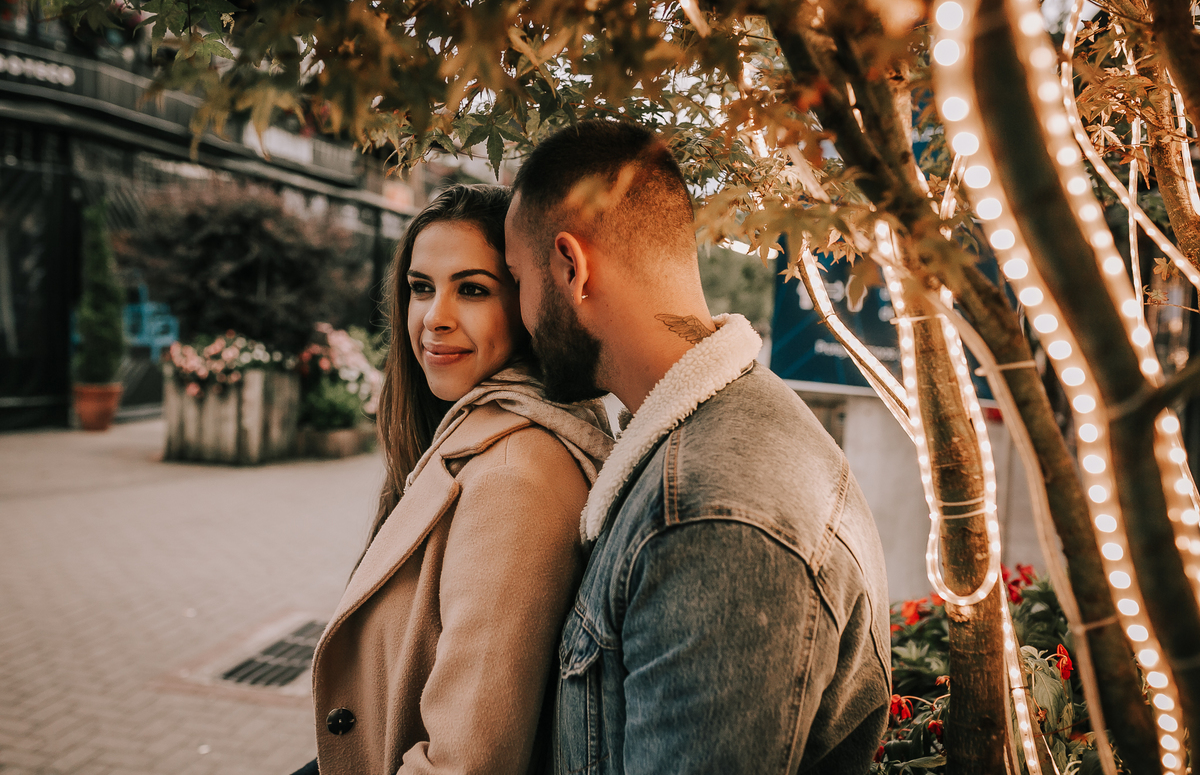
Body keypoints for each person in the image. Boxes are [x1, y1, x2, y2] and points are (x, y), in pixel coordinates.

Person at [504, 120, 891, 774]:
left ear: (572, 268)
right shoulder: (706, 453)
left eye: (516, 279)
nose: (518, 314)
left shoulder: (714, 521)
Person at [300, 184, 614, 775]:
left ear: (528, 303)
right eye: (421, 288)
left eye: (472, 290)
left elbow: (467, 763)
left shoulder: (512, 477)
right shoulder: (477, 435)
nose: (434, 319)